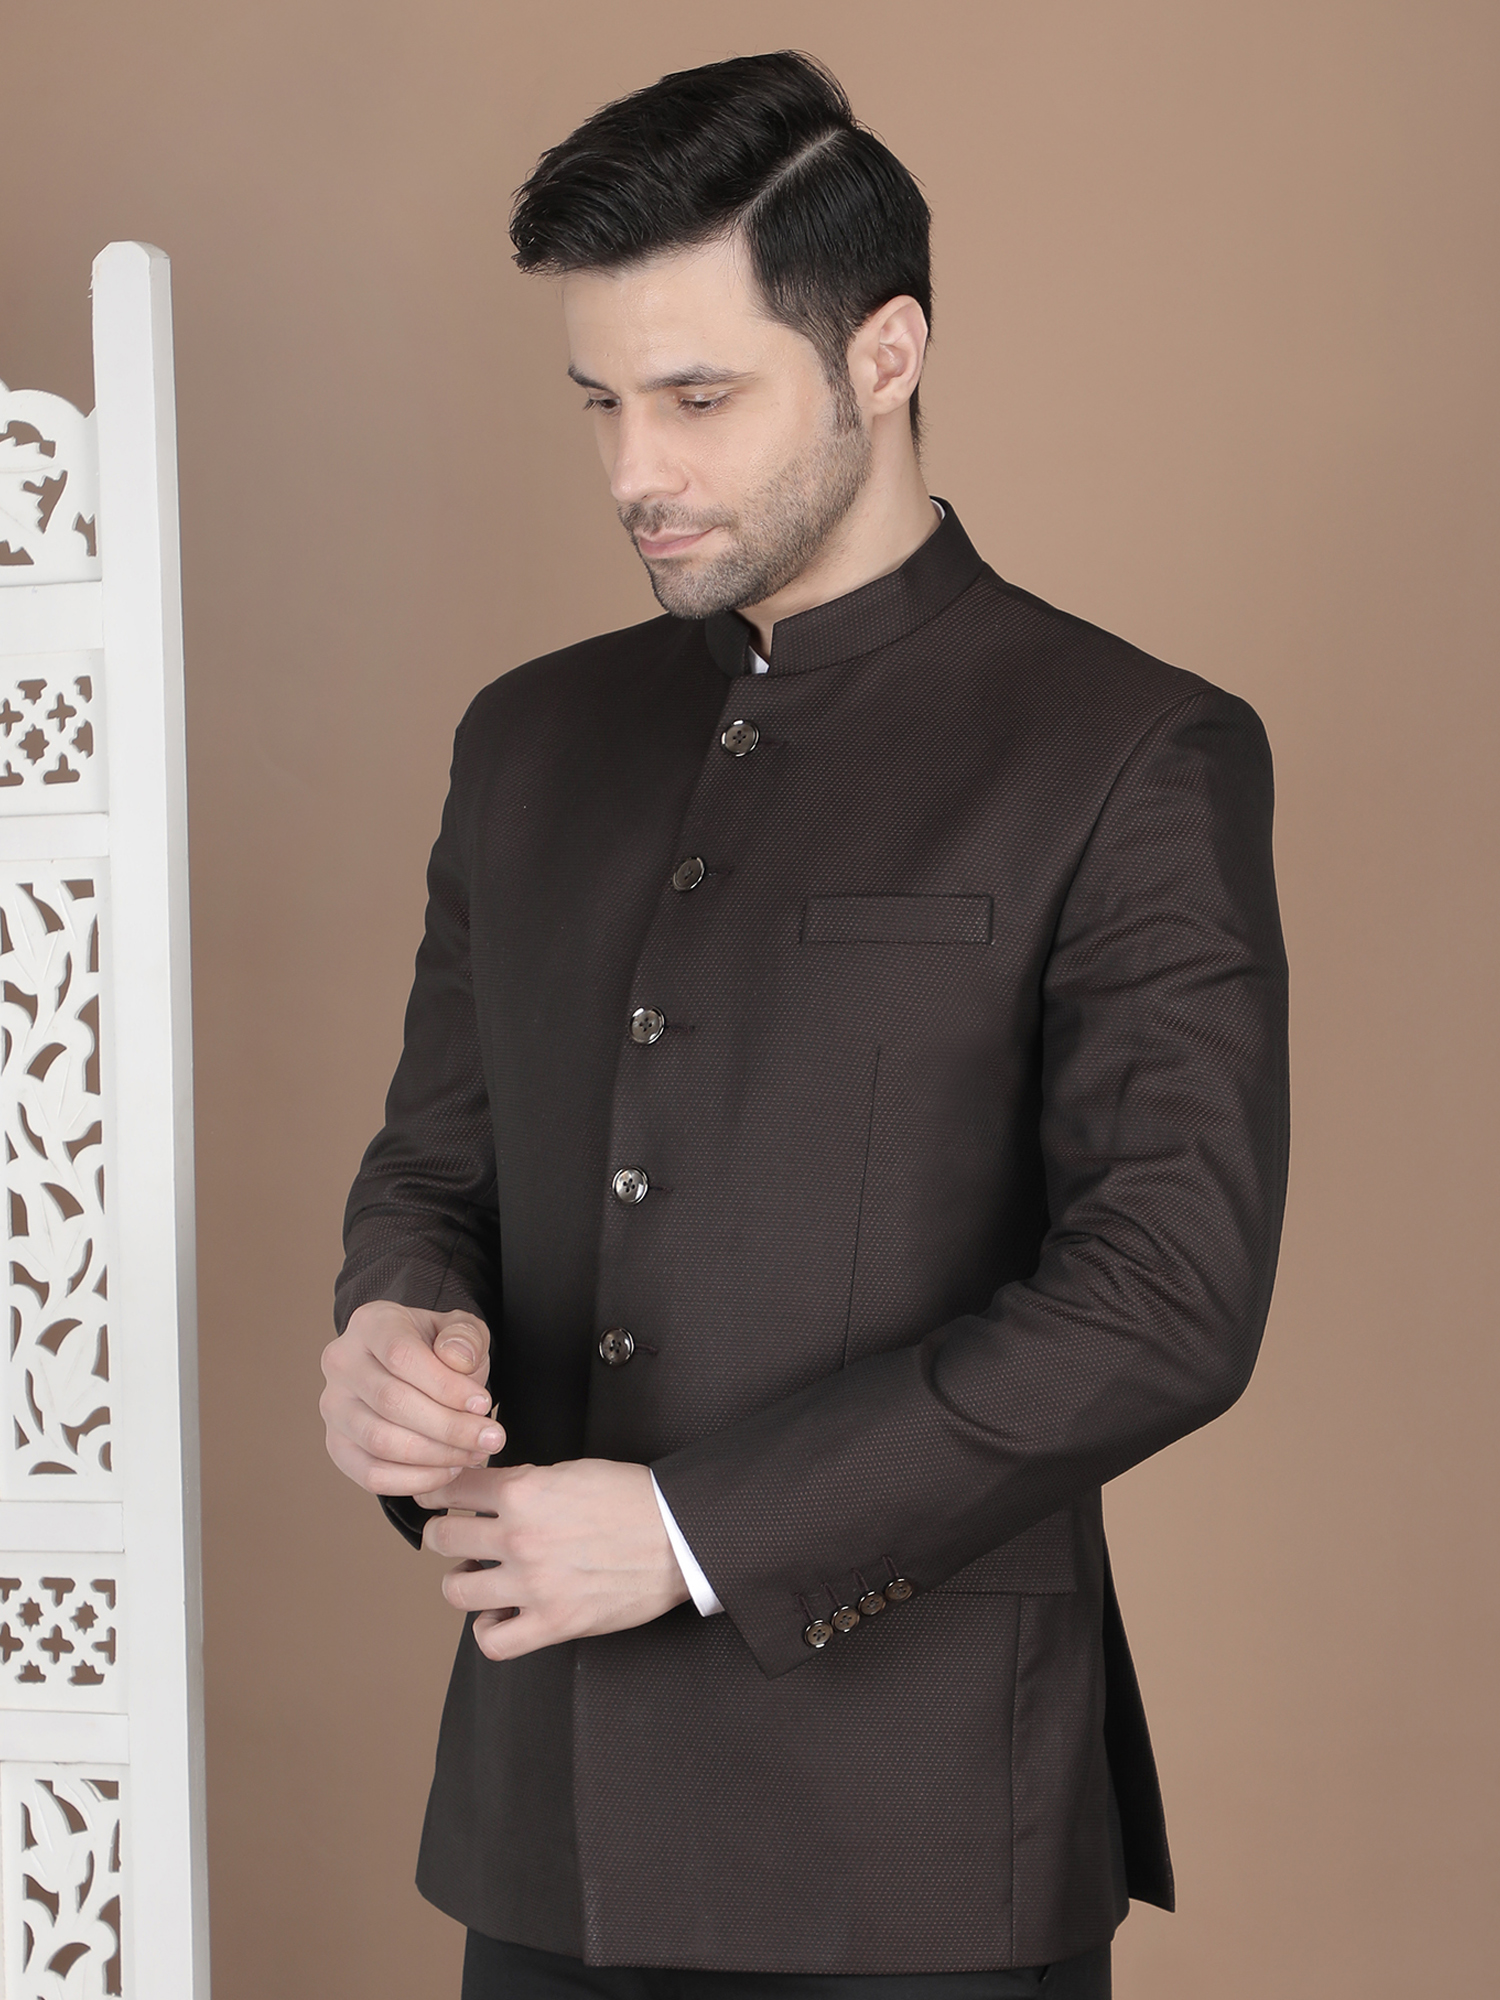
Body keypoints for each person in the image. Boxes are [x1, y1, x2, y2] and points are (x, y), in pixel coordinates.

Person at [320, 49, 1288, 2000]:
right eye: (600, 403)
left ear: (884, 354)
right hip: (547, 1826)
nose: (634, 472)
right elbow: (438, 1163)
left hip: (917, 1847)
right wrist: (392, 1333)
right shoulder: (528, 738)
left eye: (698, 399)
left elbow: (1165, 1296)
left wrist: (690, 1529)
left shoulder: (1131, 750)